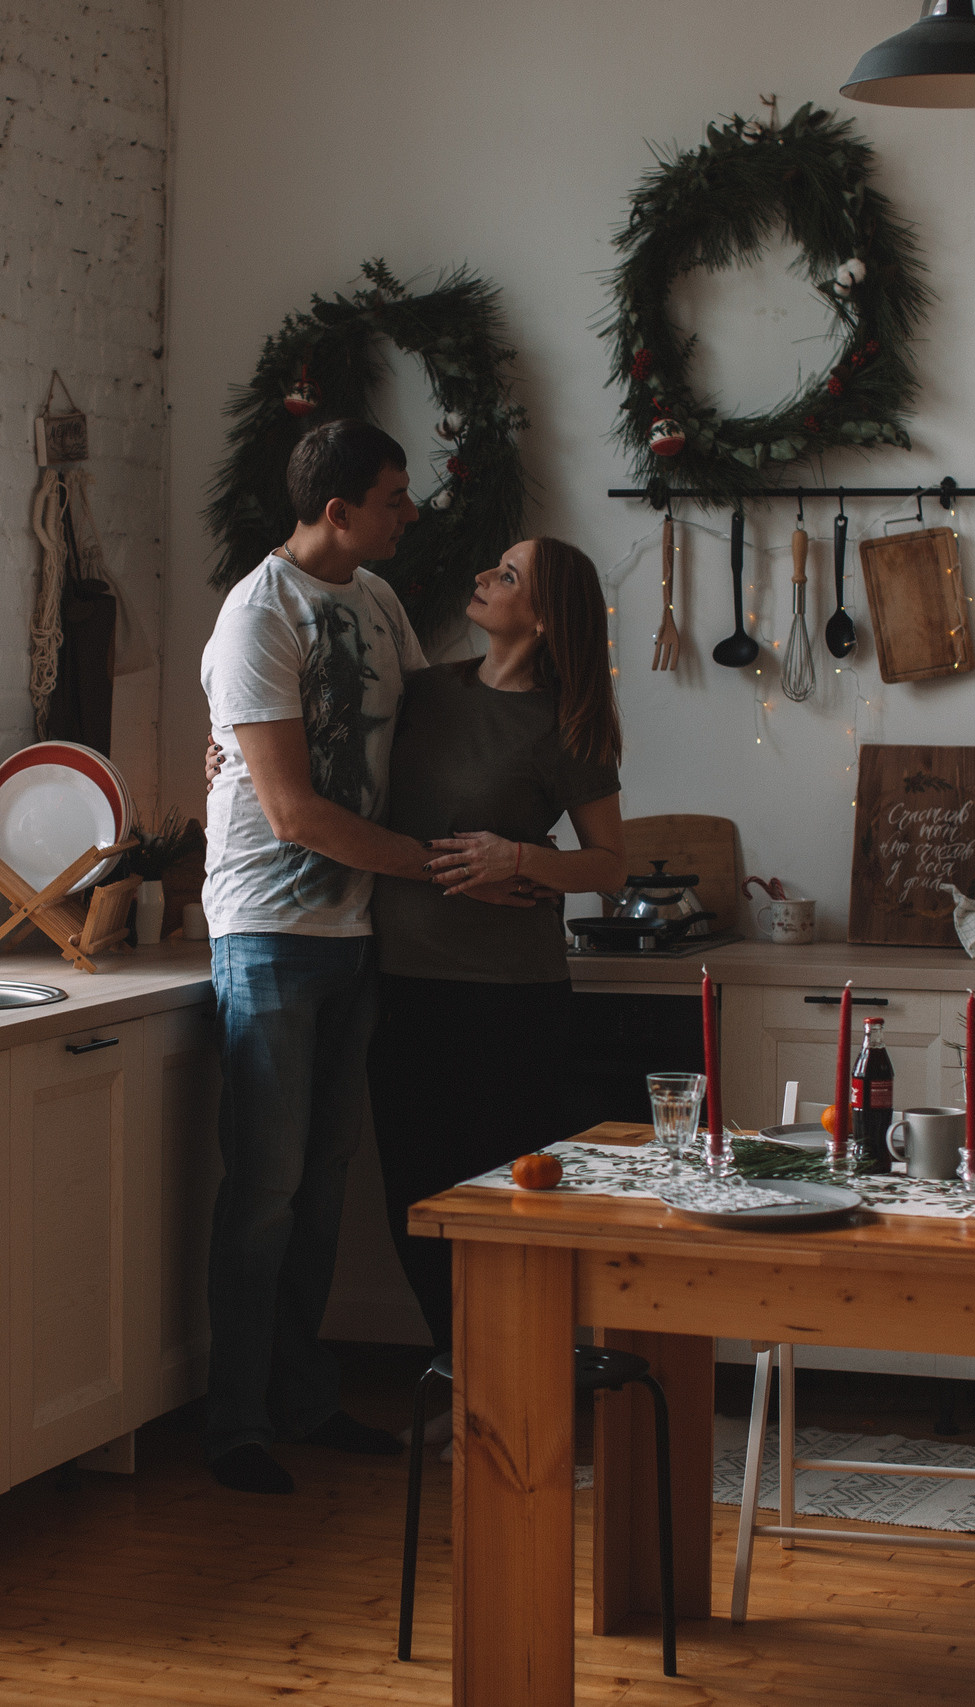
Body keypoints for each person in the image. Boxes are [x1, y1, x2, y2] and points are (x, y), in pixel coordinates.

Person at [196, 420, 532, 1496]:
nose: (410, 512)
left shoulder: (376, 600)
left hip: (356, 931)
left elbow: (429, 725)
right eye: (393, 497)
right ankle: (236, 1424)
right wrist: (443, 868)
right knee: (264, 1188)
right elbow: (294, 814)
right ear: (337, 512)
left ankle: (304, 1400)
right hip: (268, 932)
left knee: (324, 1184)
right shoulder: (258, 615)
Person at [368, 538, 629, 1355]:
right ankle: (462, 1369)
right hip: (401, 984)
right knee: (414, 1200)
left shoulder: (567, 725)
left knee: (501, 1203)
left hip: (510, 1001)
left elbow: (610, 865)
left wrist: (519, 858)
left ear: (543, 619)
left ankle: (511, 1375)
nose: (482, 576)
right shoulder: (423, 693)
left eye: (507, 575)